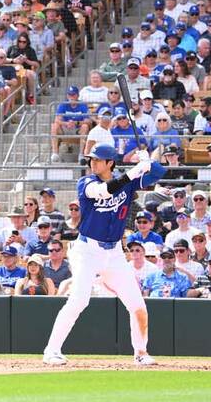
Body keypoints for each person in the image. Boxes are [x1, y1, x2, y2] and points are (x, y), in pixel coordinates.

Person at [43, 144, 164, 366]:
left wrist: (148, 162)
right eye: (92, 159)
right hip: (87, 250)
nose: (93, 163)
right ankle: (51, 351)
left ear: (110, 163)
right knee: (79, 300)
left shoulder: (127, 181)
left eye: (98, 160)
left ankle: (140, 352)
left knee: (137, 304)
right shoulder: (86, 182)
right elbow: (105, 191)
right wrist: (135, 171)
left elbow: (159, 174)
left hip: (115, 252)